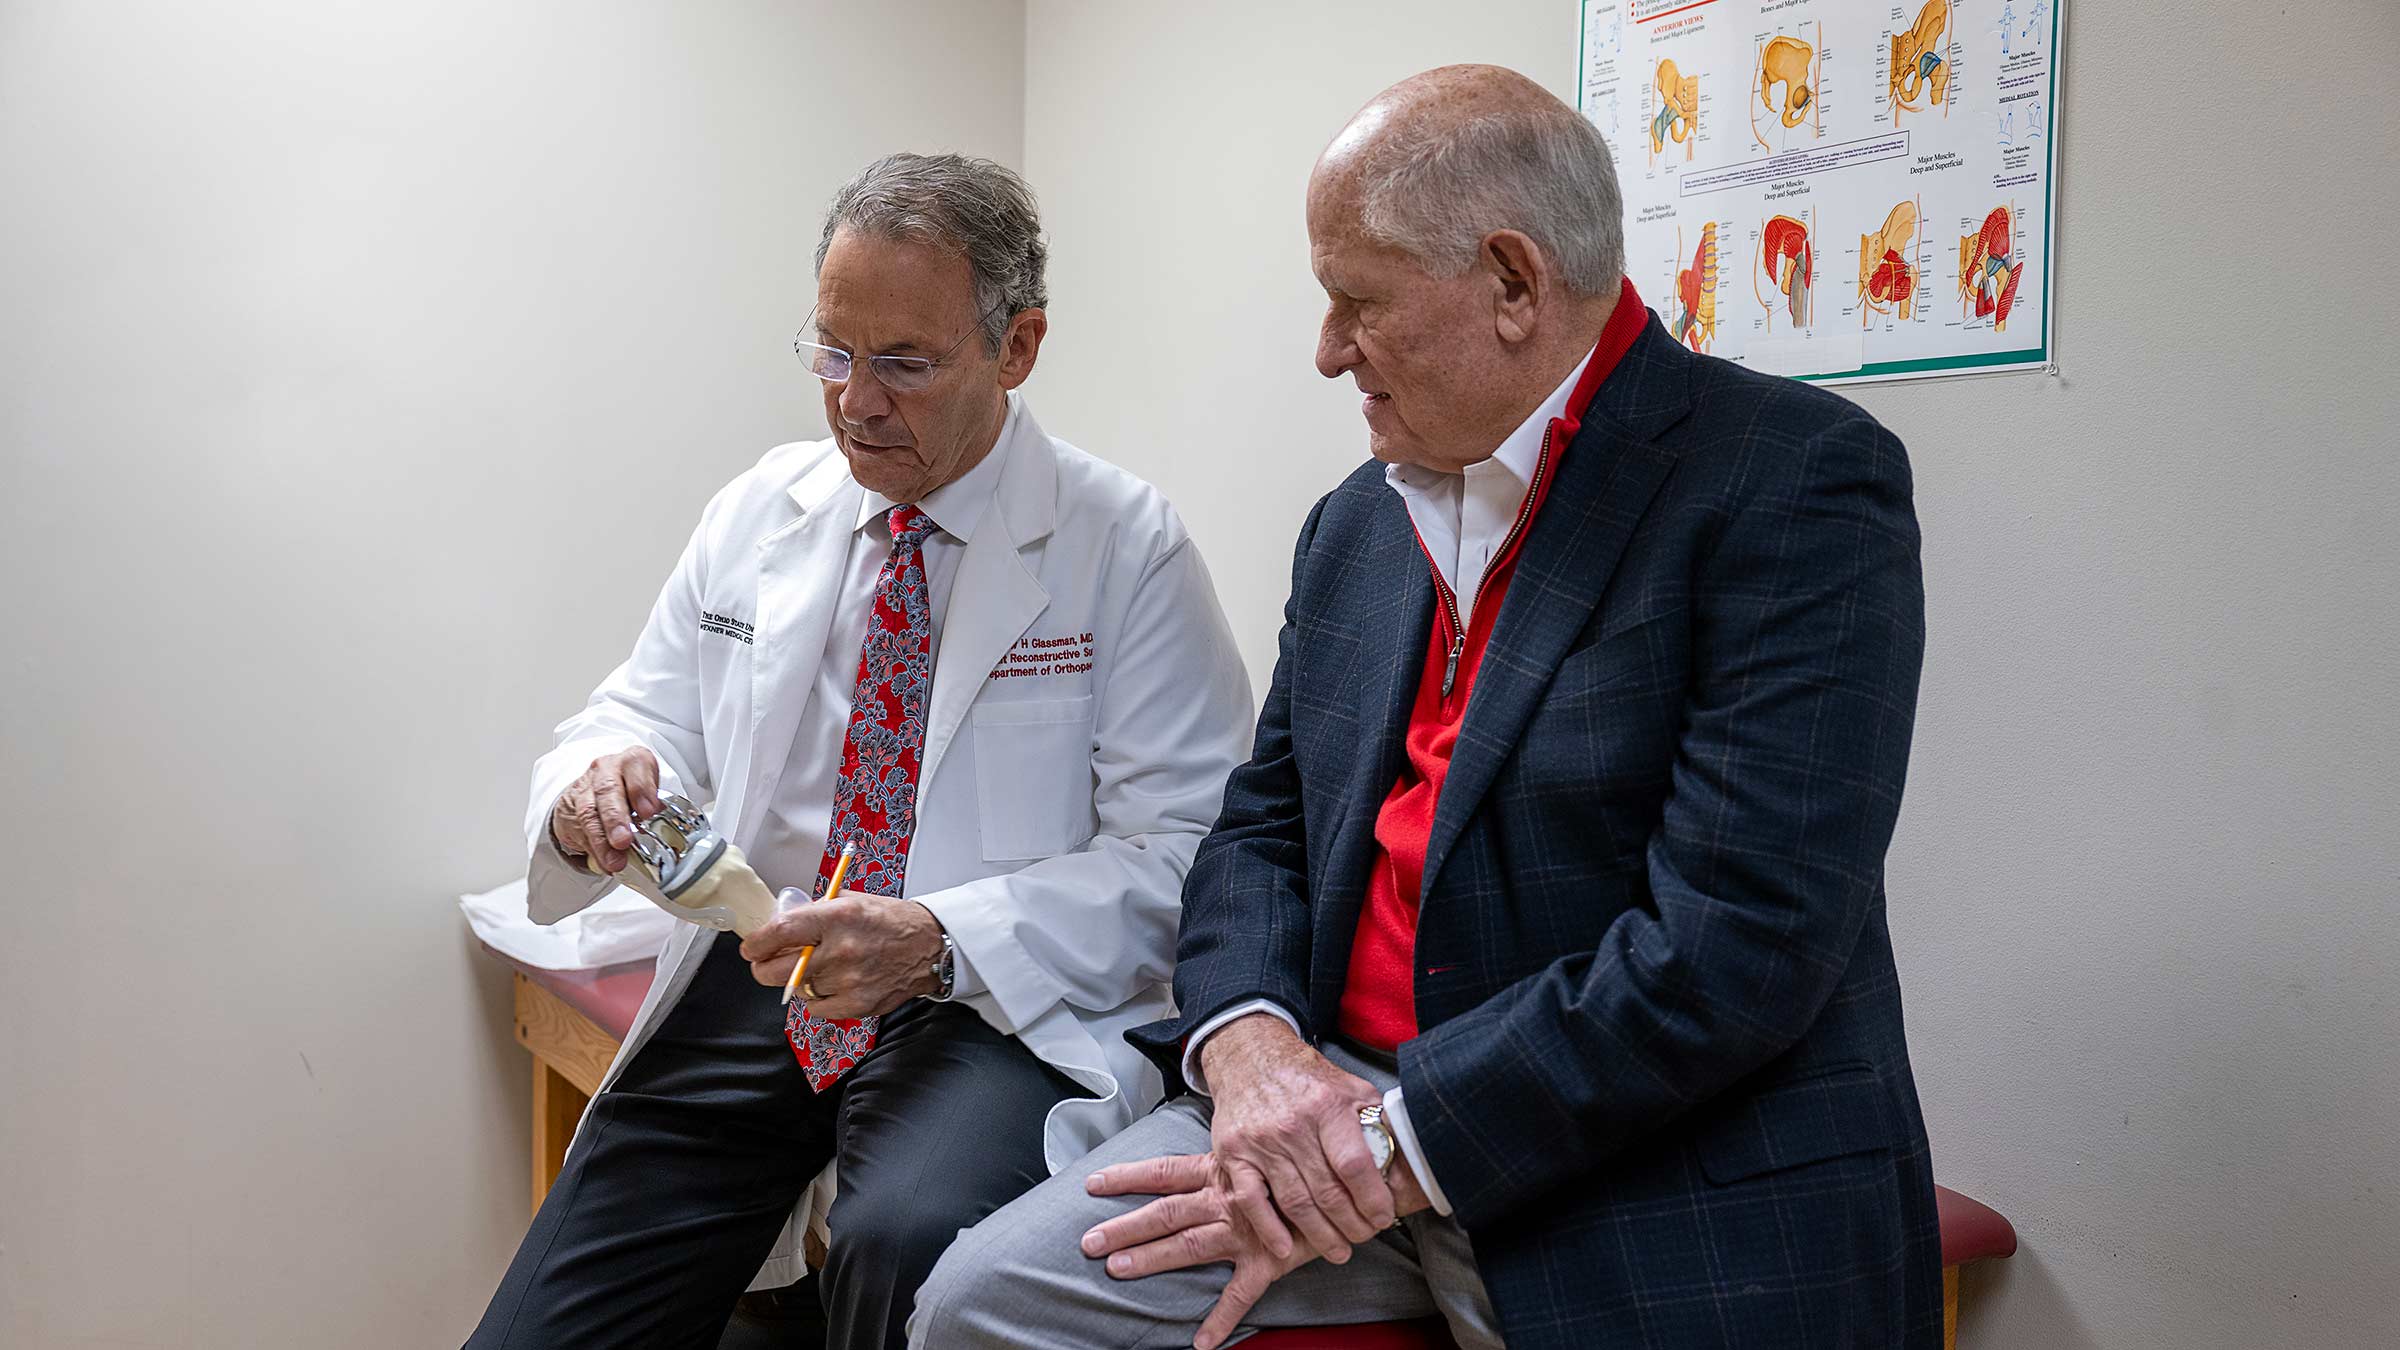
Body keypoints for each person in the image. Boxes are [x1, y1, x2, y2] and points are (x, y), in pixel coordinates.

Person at [910, 66, 1941, 1349]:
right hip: (1324, 1104)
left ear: (1513, 284)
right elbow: (1260, 832)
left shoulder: (1789, 486)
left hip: (1635, 1148)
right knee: (976, 1304)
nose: (1329, 349)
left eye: (1359, 304)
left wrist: (1389, 1145)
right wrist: (1248, 1051)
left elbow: (1738, 946)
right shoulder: (1358, 524)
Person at [466, 152, 1254, 1349]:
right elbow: (642, 715)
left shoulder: (1124, 548)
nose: (855, 401)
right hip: (764, 965)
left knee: (906, 1251)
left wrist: (941, 938)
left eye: (904, 364)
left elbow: (1188, 859)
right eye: (833, 352)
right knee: (550, 1321)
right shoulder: (759, 511)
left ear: (1019, 345)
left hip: (987, 1006)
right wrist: (601, 783)